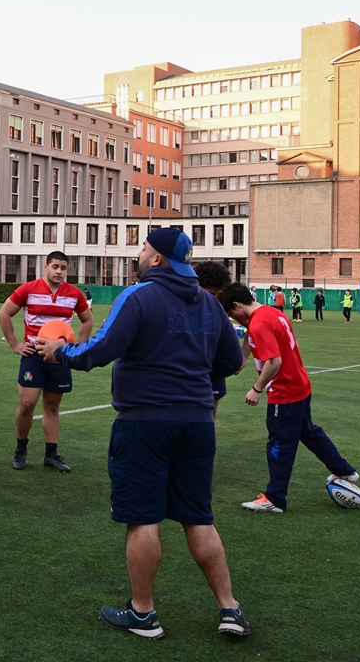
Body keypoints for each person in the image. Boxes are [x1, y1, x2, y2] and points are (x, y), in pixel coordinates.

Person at [35, 228, 249, 639]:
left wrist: (58, 352)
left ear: (156, 259)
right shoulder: (208, 303)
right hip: (198, 423)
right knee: (198, 518)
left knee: (142, 518)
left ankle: (143, 613)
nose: (138, 253)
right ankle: (230, 608)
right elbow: (230, 362)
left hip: (146, 423)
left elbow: (97, 350)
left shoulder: (138, 296)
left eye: (143, 248)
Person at [218, 283, 360, 514]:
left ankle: (274, 498)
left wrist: (257, 388)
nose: (234, 318)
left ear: (237, 305)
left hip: (284, 391)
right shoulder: (271, 311)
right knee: (309, 432)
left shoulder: (259, 323)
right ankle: (344, 471)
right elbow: (249, 337)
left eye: (232, 314)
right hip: (300, 384)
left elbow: (274, 361)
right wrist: (243, 358)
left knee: (279, 444)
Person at [0, 251, 93, 472]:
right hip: (34, 355)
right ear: (46, 267)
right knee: (27, 404)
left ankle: (51, 454)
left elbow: (87, 320)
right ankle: (21, 449)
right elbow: (4, 314)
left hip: (59, 358)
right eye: (55, 267)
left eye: (63, 268)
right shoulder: (28, 289)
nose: (59, 271)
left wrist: (78, 346)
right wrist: (15, 345)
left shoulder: (74, 294)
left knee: (52, 406)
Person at [193, 261, 236, 419]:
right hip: (186, 372)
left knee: (209, 418)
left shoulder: (219, 306)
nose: (213, 299)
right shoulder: (182, 304)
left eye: (217, 295)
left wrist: (242, 357)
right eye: (211, 294)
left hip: (212, 372)